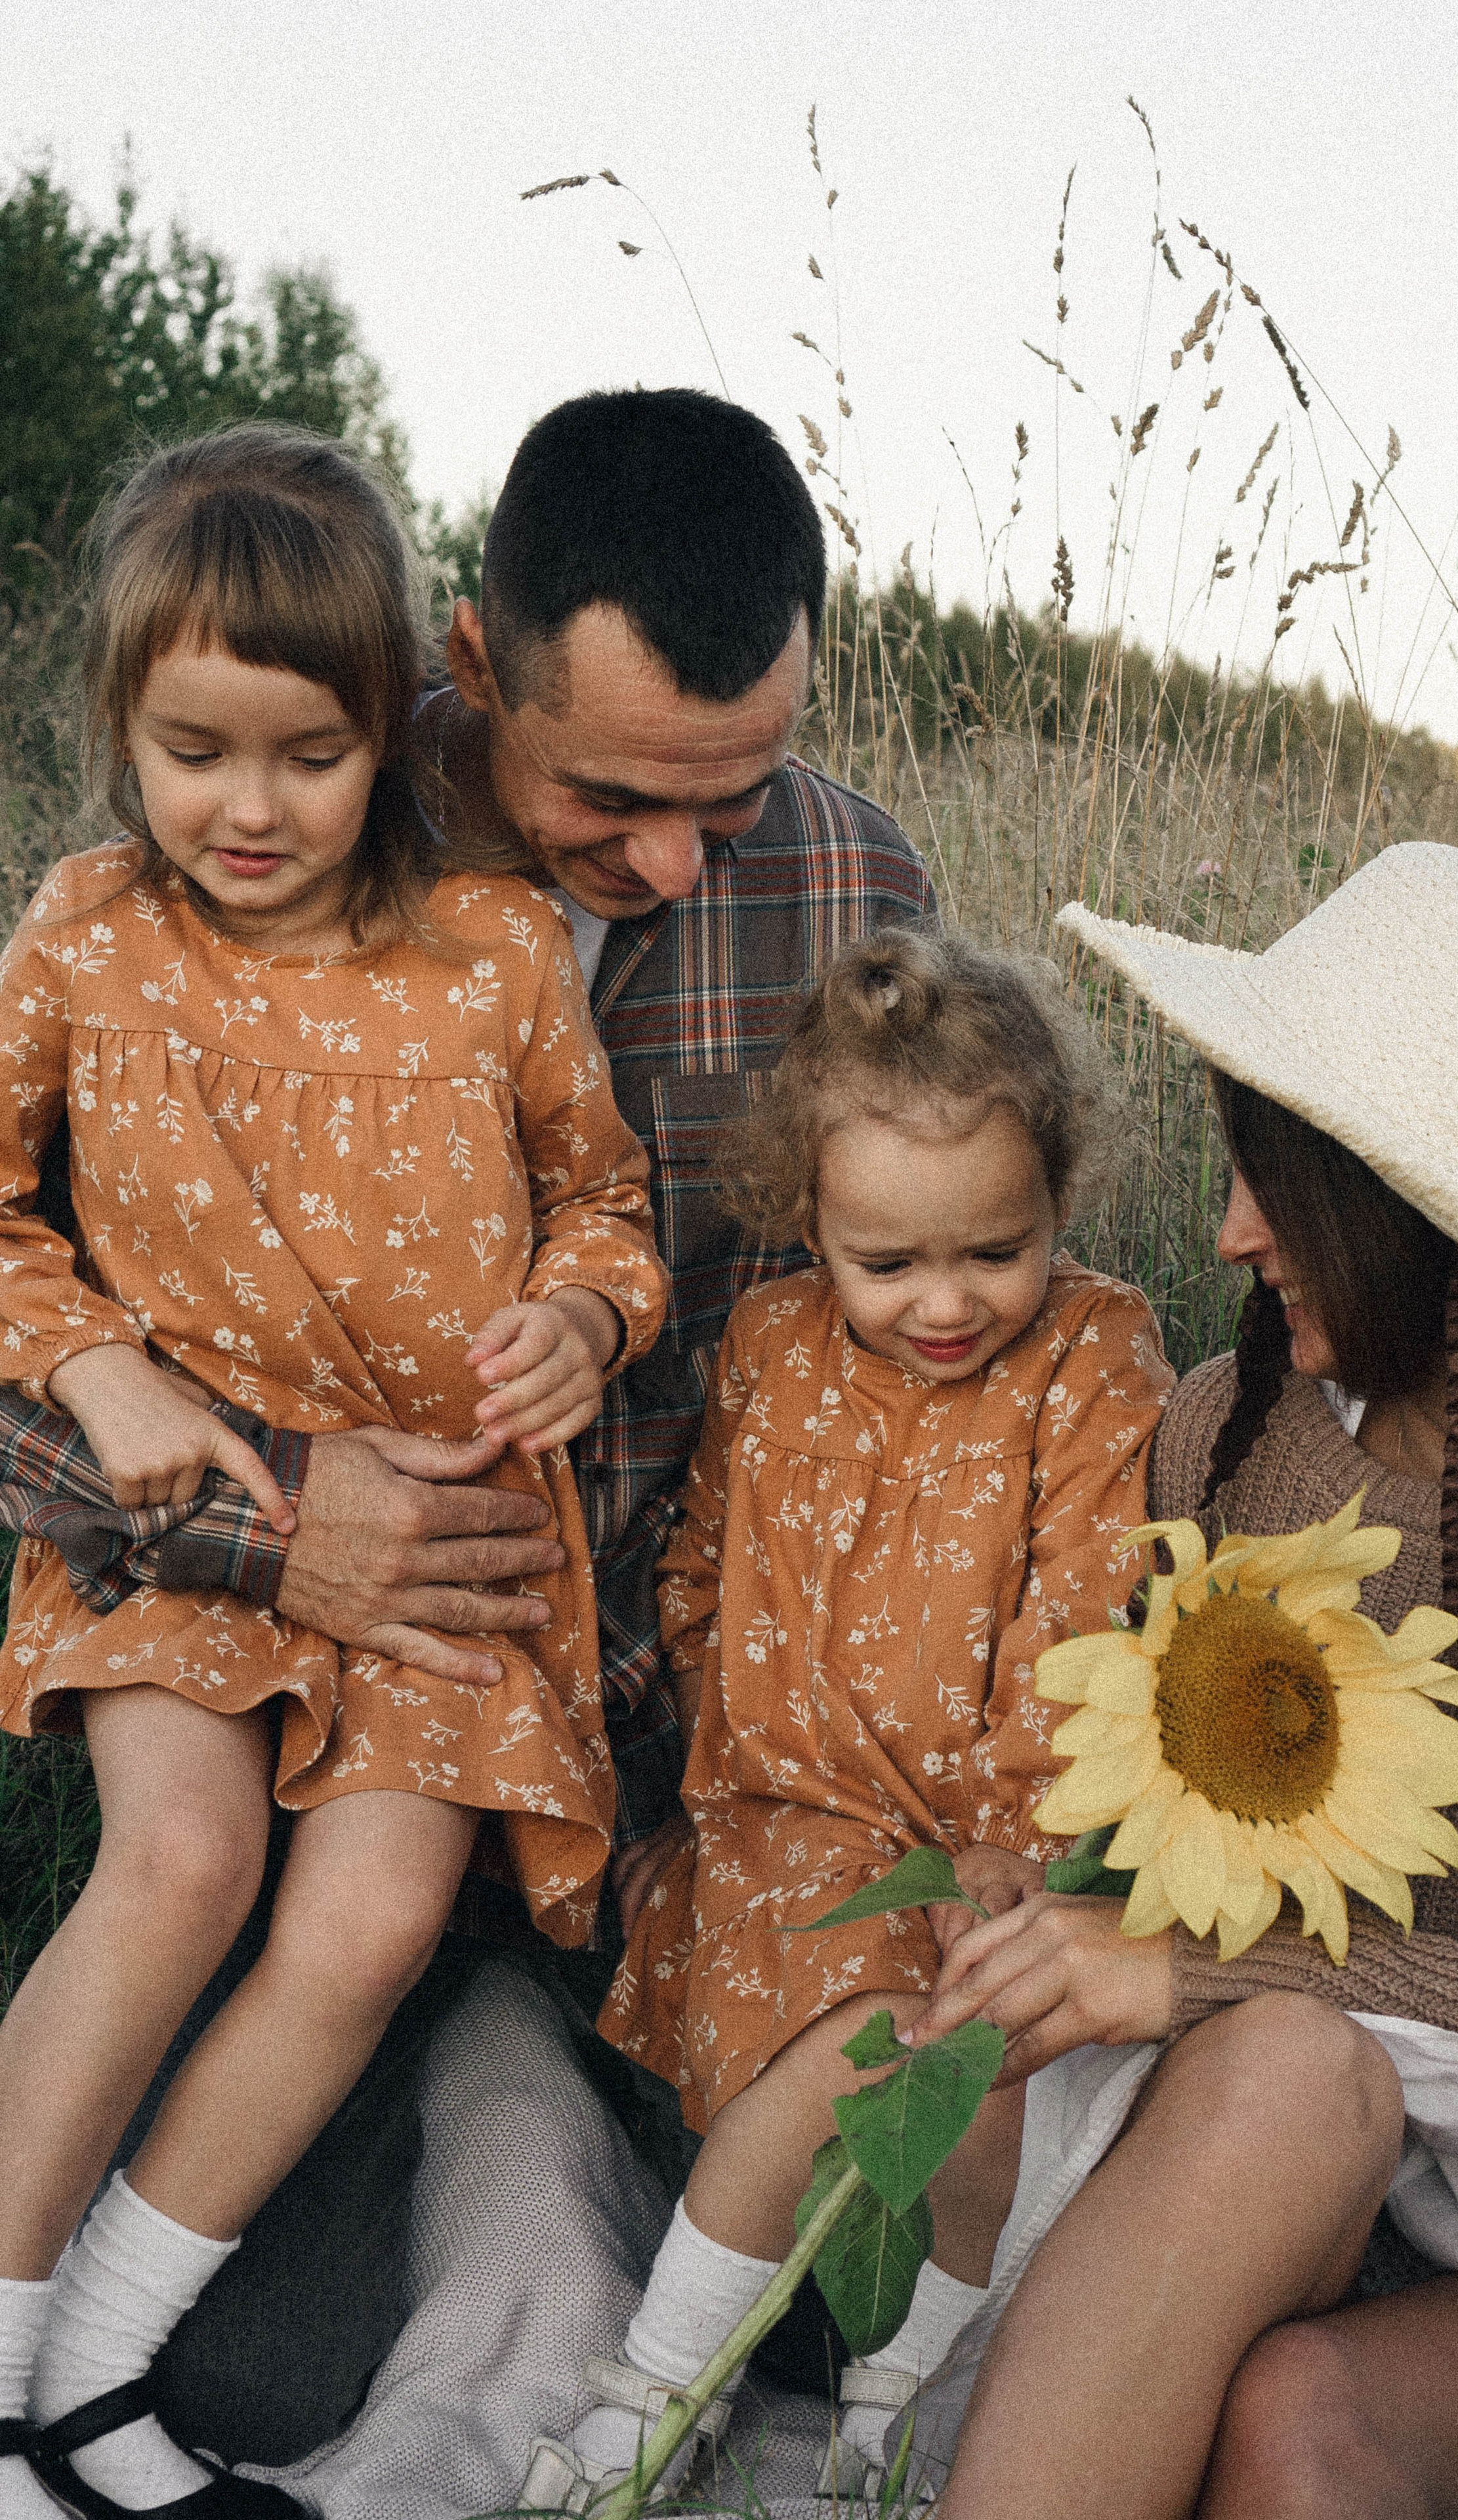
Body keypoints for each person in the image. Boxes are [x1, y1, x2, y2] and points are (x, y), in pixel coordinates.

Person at [0, 387, 932, 2471]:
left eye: (739, 790)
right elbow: (31, 1310)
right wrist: (269, 1534)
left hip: (643, 1771)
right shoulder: (241, 817)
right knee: (282, 2375)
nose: (681, 857)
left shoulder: (855, 888)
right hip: (263, 1718)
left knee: (813, 2324)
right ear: (470, 667)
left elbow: (905, 1347)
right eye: (612, 793)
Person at [0, 423, 667, 2520]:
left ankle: (97, 2374)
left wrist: (584, 1317)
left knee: (373, 1921)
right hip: (195, 1530)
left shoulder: (490, 956)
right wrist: (91, 1361)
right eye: (195, 749)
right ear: (119, 724)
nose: (251, 808)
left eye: (310, 752)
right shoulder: (88, 939)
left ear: (398, 727)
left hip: (458, 1547)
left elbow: (611, 1203)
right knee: (185, 1863)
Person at [904, 841, 1458, 2519]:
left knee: (1296, 2414)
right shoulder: (1227, 1426)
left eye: (1281, 1186)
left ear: (1424, 1219)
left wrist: (1202, 1974)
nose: (1226, 1232)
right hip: (1252, 2165)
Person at [522, 929, 1174, 2510]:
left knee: (973, 2075)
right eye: (886, 1264)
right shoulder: (768, 1345)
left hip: (983, 1834)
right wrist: (708, 1709)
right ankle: (657, 2393)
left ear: (1056, 1204)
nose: (945, 1302)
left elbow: (1086, 1604)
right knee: (840, 2049)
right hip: (782, 1815)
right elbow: (700, 1546)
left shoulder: (1091, 1351)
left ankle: (903, 2401)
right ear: (805, 1222)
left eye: (994, 1250)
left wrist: (1021, 1838)